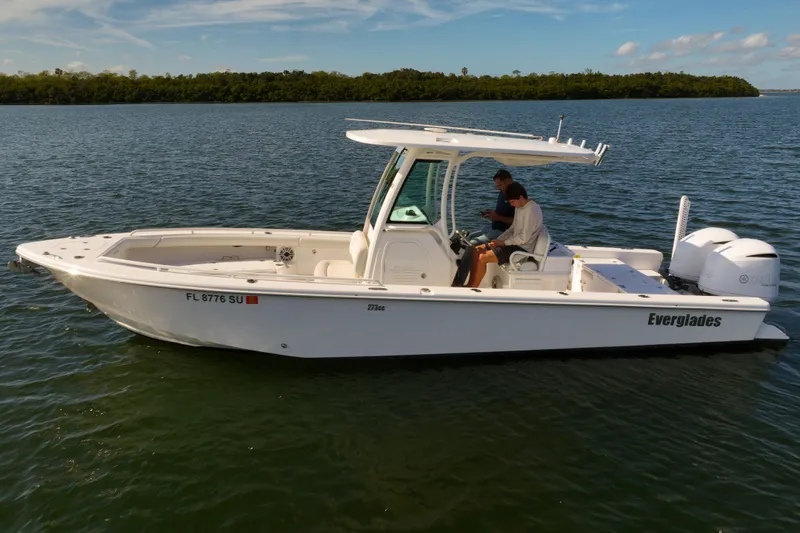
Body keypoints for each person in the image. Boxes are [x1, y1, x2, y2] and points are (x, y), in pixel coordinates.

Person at [452, 182, 543, 288]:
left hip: (522, 248)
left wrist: (503, 243)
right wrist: (497, 241)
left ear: (521, 197)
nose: (511, 205)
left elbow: (524, 238)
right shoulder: (519, 207)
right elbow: (512, 229)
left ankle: (472, 286)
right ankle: (462, 283)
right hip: (512, 243)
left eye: (513, 202)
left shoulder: (531, 210)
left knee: (482, 258)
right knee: (477, 249)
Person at [466, 169, 515, 245]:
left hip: (502, 232)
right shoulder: (502, 192)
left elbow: (517, 222)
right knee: (469, 237)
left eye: (500, 185)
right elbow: (503, 212)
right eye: (497, 186)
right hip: (493, 227)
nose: (499, 188)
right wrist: (492, 214)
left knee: (472, 243)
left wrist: (498, 217)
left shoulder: (516, 196)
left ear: (508, 180)